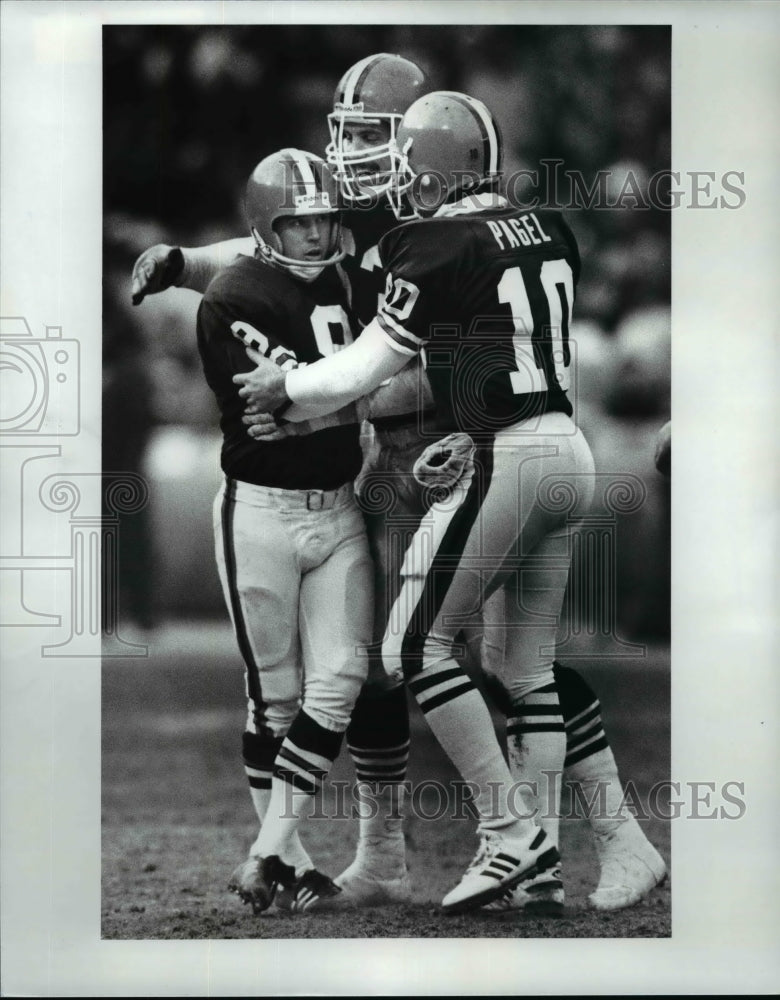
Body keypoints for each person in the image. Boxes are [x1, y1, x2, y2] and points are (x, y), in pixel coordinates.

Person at [132, 56, 665, 914]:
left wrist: (312, 397)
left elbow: (418, 361)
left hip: (463, 440)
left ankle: (537, 845)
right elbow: (277, 246)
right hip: (415, 458)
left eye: (377, 133)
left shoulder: (435, 228)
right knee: (425, 665)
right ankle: (408, 853)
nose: (354, 153)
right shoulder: (464, 215)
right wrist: (189, 260)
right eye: (348, 133)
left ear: (426, 139)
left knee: (474, 661)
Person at [195, 147, 375, 913]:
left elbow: (312, 407)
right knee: (273, 694)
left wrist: (332, 404)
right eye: (298, 221)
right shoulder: (234, 295)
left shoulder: (350, 277)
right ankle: (292, 856)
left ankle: (265, 851)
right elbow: (270, 419)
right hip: (259, 510)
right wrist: (356, 398)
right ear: (267, 227)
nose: (315, 233)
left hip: (339, 505)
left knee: (341, 673)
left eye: (324, 218)